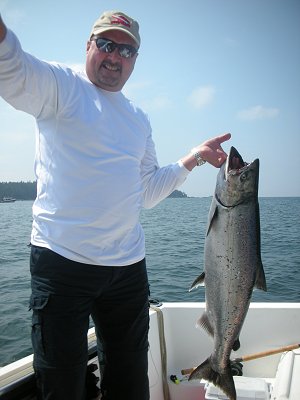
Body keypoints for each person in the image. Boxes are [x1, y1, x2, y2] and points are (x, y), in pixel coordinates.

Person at [0, 10, 231, 400]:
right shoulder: (60, 86)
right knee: (63, 386)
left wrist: (193, 157)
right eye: (106, 44)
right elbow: (12, 68)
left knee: (130, 383)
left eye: (126, 49)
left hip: (126, 271)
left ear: (135, 60)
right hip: (61, 265)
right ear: (88, 46)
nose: (114, 55)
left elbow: (147, 192)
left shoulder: (138, 119)